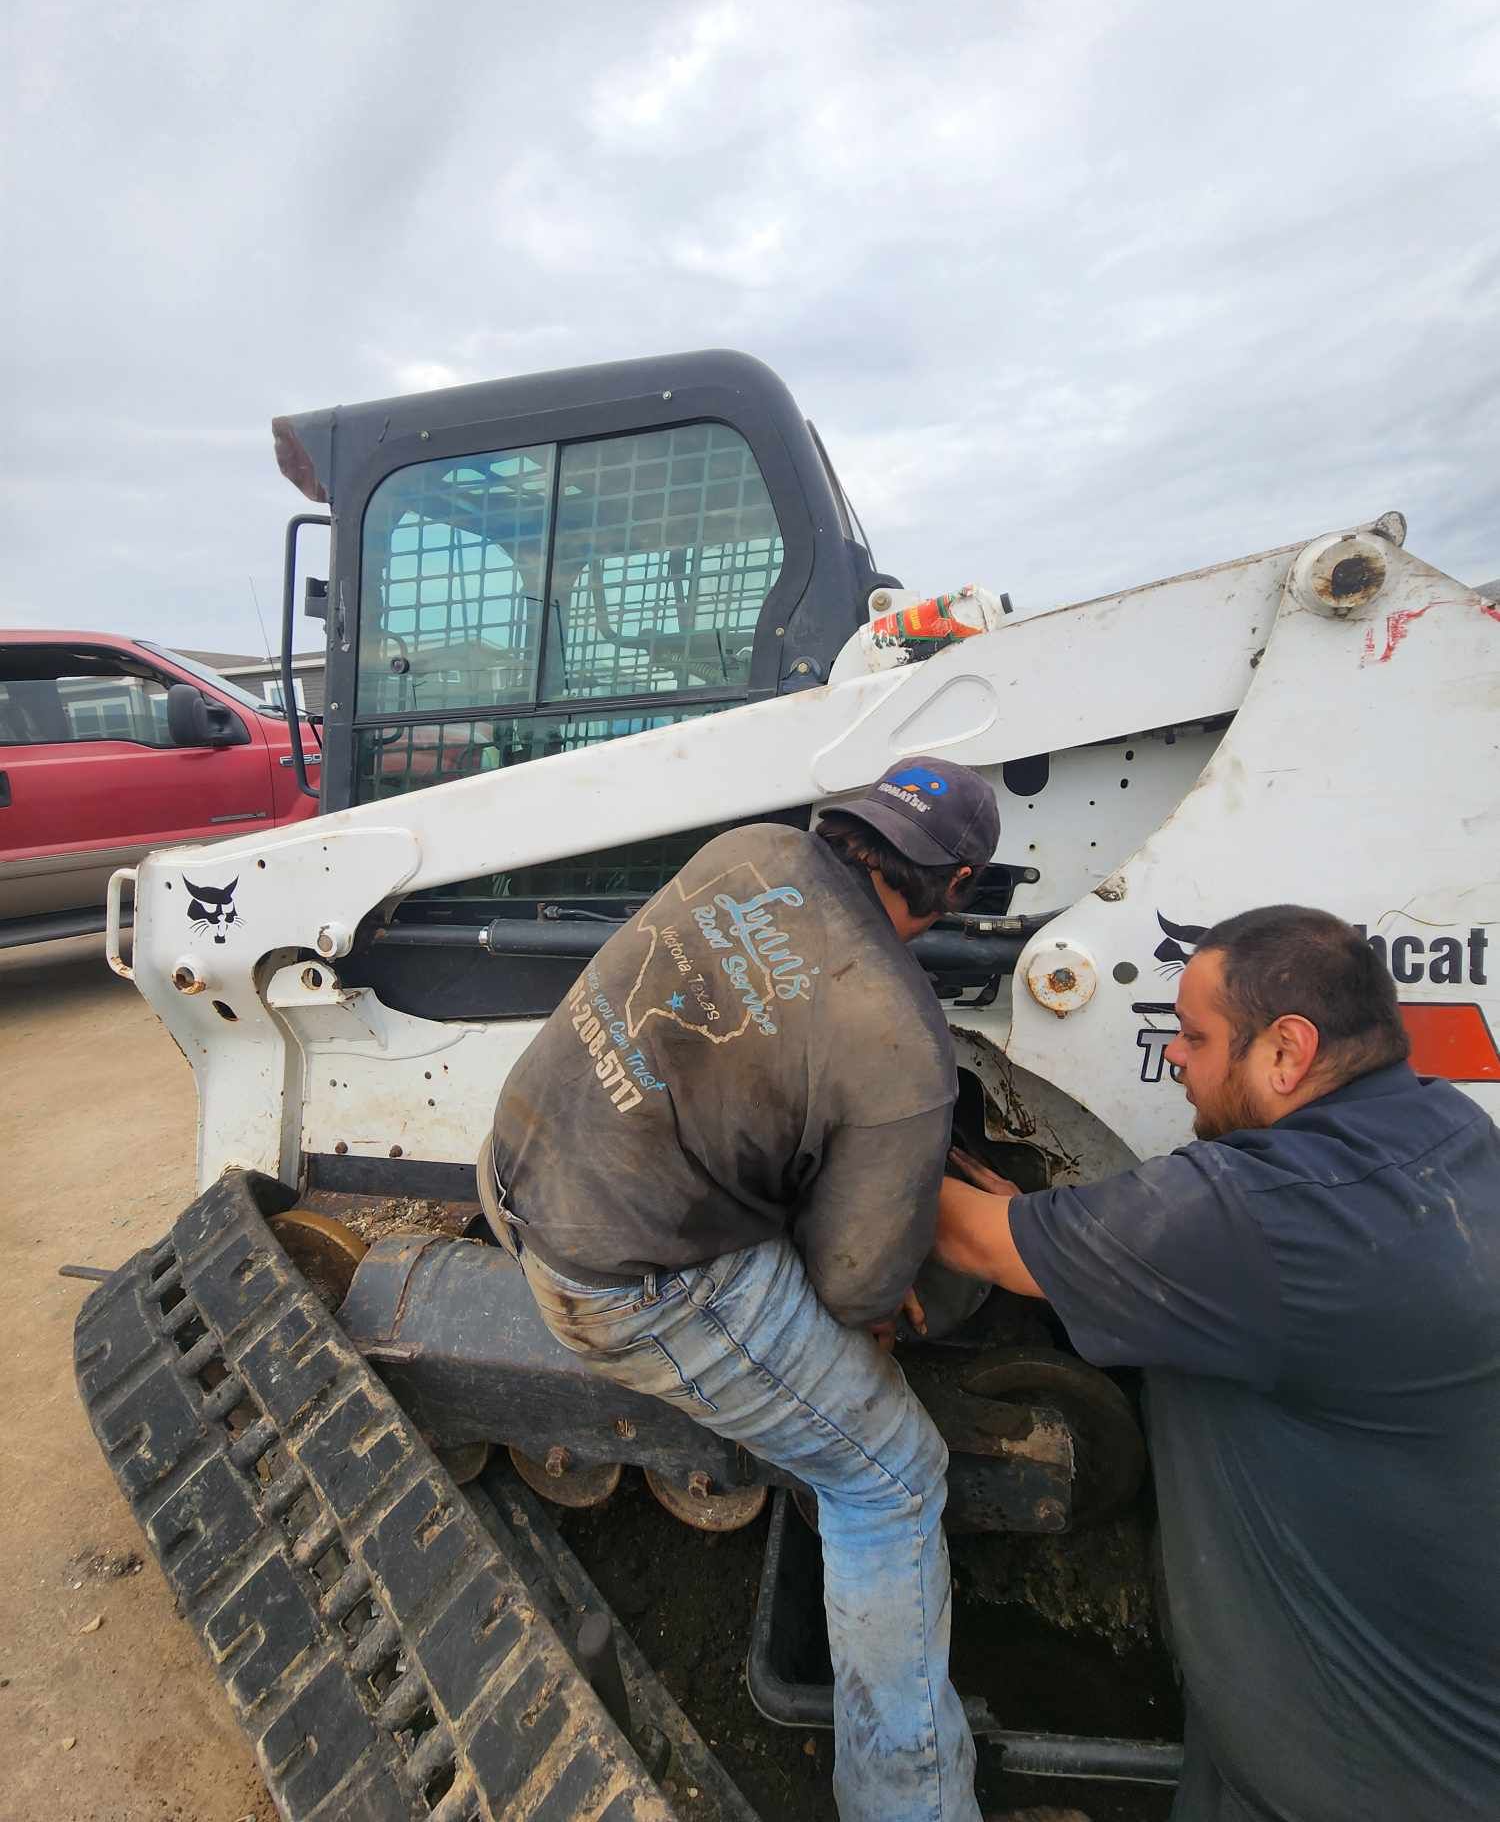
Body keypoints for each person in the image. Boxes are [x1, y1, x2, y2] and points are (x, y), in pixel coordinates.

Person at [483, 757, 1000, 1822]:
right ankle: (914, 1804)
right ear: (955, 888)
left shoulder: (748, 852)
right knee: (893, 1477)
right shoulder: (905, 1042)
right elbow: (860, 1283)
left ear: (845, 822)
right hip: (624, 1281)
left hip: (514, 1166)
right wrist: (891, 1274)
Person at [935, 905, 1500, 1822]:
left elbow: (975, 1242)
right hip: (1365, 1728)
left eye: (1195, 1037)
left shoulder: (1262, 1216)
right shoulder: (1444, 1128)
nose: (1175, 1059)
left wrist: (826, 1148)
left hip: (1349, 1781)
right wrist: (1073, 1231)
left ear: (1287, 1050)